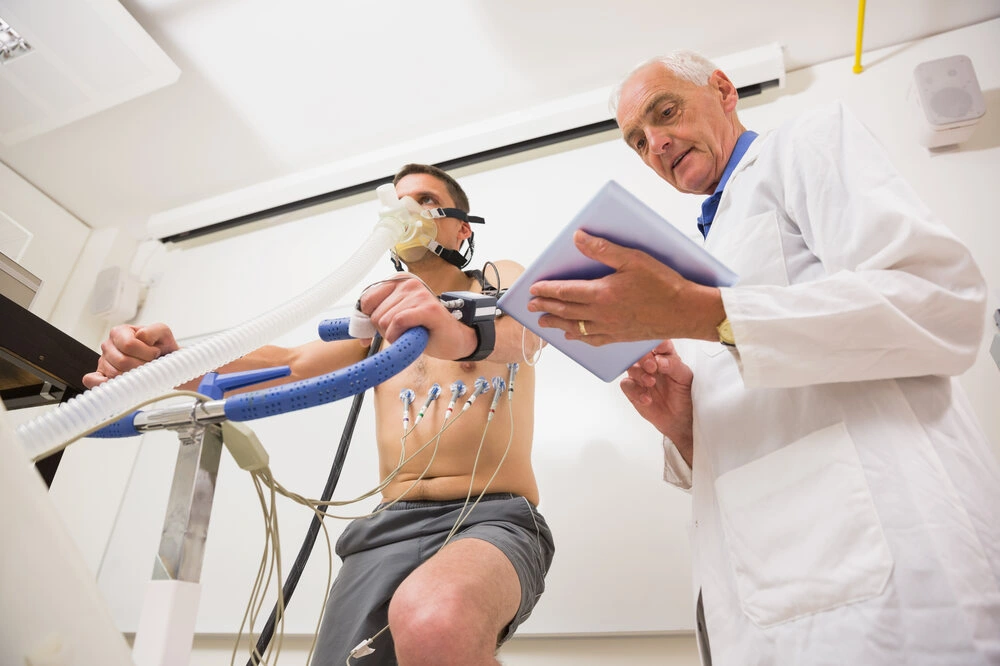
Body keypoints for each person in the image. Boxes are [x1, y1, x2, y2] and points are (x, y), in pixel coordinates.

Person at [526, 51, 1000, 665]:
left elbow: (939, 302)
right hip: (766, 584)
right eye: (638, 142)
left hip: (890, 578)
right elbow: (775, 388)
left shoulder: (803, 143)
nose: (657, 144)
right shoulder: (696, 253)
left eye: (665, 112)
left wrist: (702, 313)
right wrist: (686, 425)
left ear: (723, 90)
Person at [84, 163, 554, 666]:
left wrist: (458, 329)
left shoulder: (497, 280)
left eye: (423, 200)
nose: (404, 210)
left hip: (490, 517)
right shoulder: (380, 321)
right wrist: (174, 362)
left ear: (462, 226)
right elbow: (291, 365)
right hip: (389, 526)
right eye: (395, 202)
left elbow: (528, 333)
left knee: (436, 619)